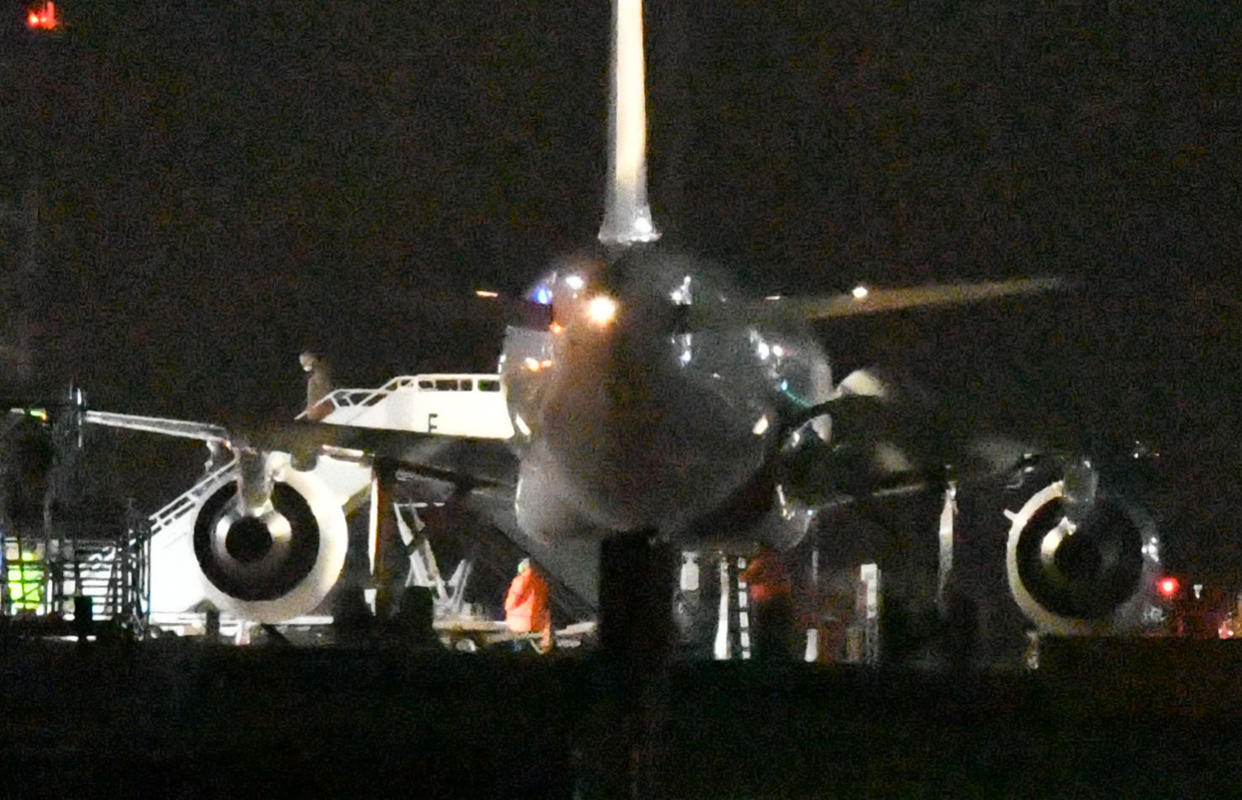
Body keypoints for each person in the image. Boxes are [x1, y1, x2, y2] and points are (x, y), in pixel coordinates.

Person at [741, 545, 794, 662]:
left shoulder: (762, 561)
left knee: (764, 634)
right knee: (781, 634)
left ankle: (764, 659)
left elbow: (746, 577)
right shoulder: (779, 561)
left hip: (766, 603)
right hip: (782, 602)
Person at [504, 557, 552, 653]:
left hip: (518, 624)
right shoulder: (540, 582)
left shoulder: (519, 581)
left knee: (518, 648)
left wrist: (507, 609)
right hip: (535, 624)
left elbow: (510, 603)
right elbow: (544, 604)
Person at [299, 350, 334, 421]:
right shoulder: (313, 378)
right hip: (317, 408)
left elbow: (325, 390)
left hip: (321, 407)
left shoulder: (319, 374)